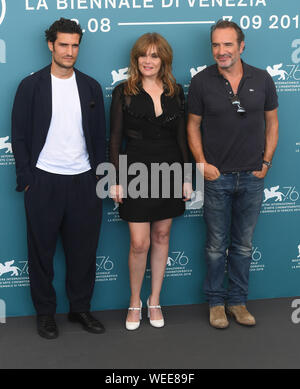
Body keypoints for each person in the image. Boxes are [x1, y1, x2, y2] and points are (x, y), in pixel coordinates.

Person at [11, 18, 106, 339]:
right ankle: (45, 314)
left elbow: (99, 138)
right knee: (41, 254)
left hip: (83, 182)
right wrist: (27, 178)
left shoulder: (91, 86)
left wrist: (100, 180)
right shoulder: (31, 86)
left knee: (83, 253)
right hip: (43, 182)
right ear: (51, 45)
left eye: (74, 45)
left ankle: (80, 309)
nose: (69, 51)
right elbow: (20, 136)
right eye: (63, 44)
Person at [187, 20, 279, 329]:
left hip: (252, 178)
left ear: (241, 46)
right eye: (216, 45)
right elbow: (192, 126)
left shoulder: (263, 79)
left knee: (242, 245)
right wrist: (202, 163)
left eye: (228, 44)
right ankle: (216, 303)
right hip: (217, 178)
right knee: (215, 246)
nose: (221, 51)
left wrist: (265, 163)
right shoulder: (201, 82)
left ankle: (238, 301)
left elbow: (273, 122)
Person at [109, 33, 192, 330]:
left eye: (155, 55)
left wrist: (186, 177)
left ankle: (155, 300)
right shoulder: (124, 92)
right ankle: (135, 301)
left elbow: (182, 139)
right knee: (139, 242)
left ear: (164, 60)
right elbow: (116, 140)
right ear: (136, 58)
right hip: (135, 173)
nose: (148, 60)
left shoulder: (176, 91)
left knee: (161, 237)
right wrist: (115, 180)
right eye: (144, 55)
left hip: (169, 169)